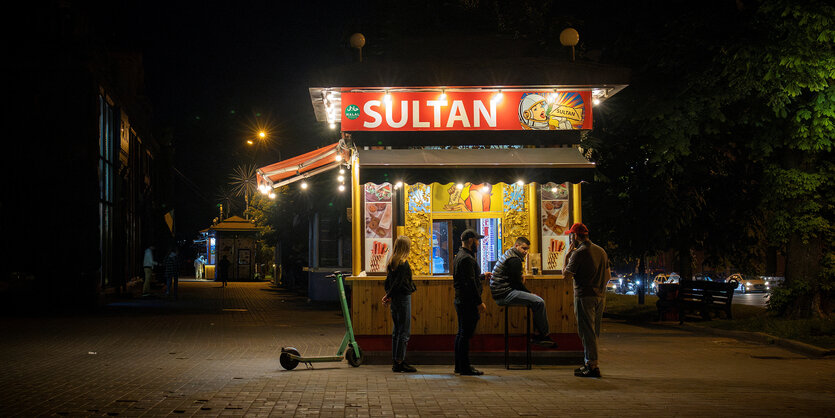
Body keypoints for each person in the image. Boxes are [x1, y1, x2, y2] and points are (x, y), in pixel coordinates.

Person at [490, 237, 557, 347]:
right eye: (523, 248)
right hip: (504, 294)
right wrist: (529, 293)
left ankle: (538, 334)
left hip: (500, 292)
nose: (525, 251)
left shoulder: (509, 254)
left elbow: (513, 278)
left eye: (527, 249)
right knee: (539, 302)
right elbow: (516, 283)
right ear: (517, 246)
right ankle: (542, 336)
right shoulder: (514, 259)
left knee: (536, 302)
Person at [563, 223, 610, 378]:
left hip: (584, 296)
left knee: (586, 331)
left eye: (571, 235)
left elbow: (566, 275)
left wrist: (567, 256)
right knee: (594, 331)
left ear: (575, 236)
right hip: (600, 296)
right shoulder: (601, 251)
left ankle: (592, 365)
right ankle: (590, 363)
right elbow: (608, 276)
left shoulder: (579, 253)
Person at [452, 229, 490, 376]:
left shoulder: (460, 256)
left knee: (461, 334)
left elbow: (468, 278)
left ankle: (459, 366)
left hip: (461, 300)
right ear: (470, 241)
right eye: (477, 240)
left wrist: (481, 276)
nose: (478, 243)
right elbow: (469, 283)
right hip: (467, 302)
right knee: (465, 335)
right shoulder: (467, 258)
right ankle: (465, 367)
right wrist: (479, 302)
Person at [381, 236, 417, 373]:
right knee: (404, 331)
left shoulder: (392, 262)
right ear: (405, 247)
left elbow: (388, 283)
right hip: (403, 298)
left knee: (396, 331)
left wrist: (388, 295)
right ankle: (400, 362)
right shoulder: (403, 263)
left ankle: (396, 361)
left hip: (395, 300)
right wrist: (388, 296)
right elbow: (399, 283)